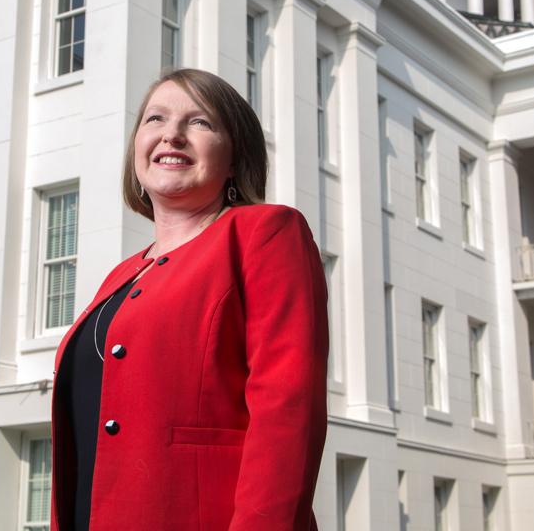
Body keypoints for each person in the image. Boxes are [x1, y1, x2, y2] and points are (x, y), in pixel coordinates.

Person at [49, 68, 329, 530]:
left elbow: (287, 410)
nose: (172, 135)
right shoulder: (120, 276)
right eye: (155, 119)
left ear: (236, 156)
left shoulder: (265, 233)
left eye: (200, 123)